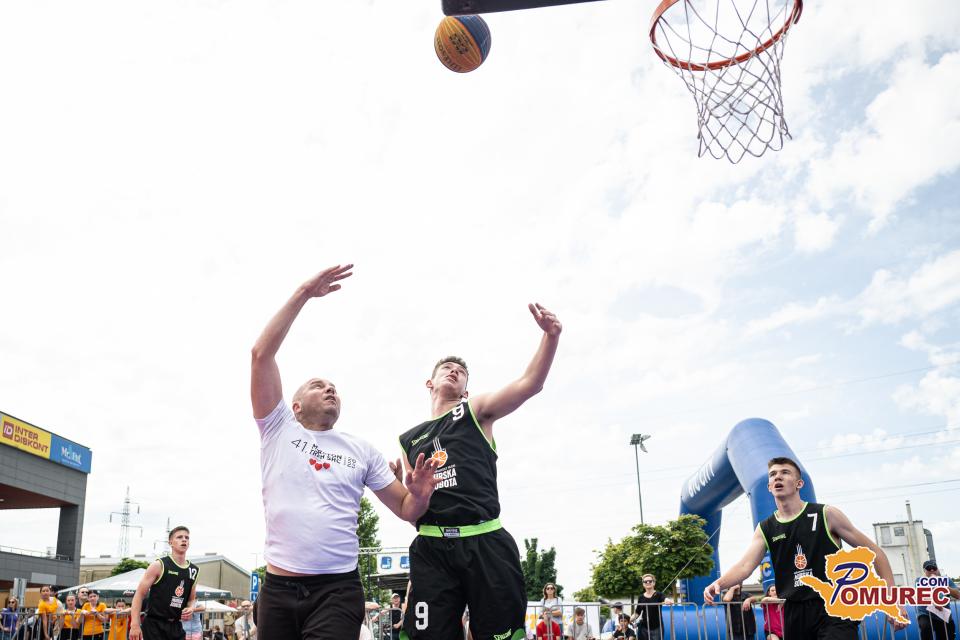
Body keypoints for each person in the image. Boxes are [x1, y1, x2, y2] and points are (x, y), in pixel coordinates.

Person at [249, 265, 440, 640]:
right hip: (278, 590)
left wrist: (418, 495)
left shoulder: (360, 450)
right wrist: (304, 292)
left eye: (334, 387)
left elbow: (407, 510)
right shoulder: (277, 427)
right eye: (318, 385)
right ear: (295, 405)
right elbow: (260, 355)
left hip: (336, 589)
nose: (330, 389)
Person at [399, 303, 562, 640]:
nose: (454, 371)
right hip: (433, 546)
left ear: (466, 390)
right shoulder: (409, 439)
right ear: (429, 382)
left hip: (484, 538)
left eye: (461, 371)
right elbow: (411, 510)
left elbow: (530, 383)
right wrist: (413, 493)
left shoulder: (474, 411)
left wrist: (550, 337)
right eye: (447, 367)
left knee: (500, 634)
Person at [703, 456, 906, 639]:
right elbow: (745, 566)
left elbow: (875, 552)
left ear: (799, 483)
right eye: (773, 474)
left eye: (785, 472)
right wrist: (719, 583)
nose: (778, 477)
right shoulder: (765, 528)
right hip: (794, 611)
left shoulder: (826, 514)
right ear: (769, 487)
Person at [129, 526, 200, 640]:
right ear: (170, 542)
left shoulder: (193, 570)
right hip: (154, 625)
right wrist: (135, 624)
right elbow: (139, 595)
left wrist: (191, 608)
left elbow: (191, 600)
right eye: (179, 537)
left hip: (176, 626)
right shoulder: (159, 565)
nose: (184, 540)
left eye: (187, 537)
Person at [915, 559, 960, 640]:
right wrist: (934, 601)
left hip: (943, 614)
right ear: (924, 571)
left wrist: (942, 584)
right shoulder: (920, 580)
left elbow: (957, 595)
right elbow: (921, 595)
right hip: (926, 614)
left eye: (934, 568)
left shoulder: (946, 580)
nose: (932, 570)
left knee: (948, 635)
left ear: (937, 569)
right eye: (929, 568)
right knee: (925, 627)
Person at [631, 574, 673, 640]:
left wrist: (667, 600)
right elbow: (637, 612)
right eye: (645, 581)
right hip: (644, 628)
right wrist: (629, 620)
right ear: (643, 584)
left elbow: (665, 598)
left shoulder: (659, 594)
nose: (648, 582)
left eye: (650, 581)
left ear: (654, 583)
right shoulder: (641, 597)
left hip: (657, 627)